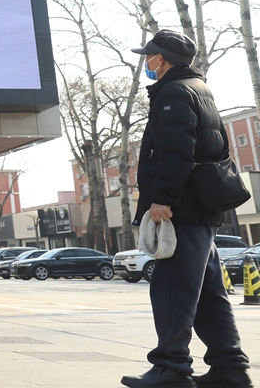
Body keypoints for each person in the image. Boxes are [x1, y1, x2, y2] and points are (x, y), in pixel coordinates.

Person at [121, 30, 251, 388]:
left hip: (182, 210)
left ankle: (171, 368)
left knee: (171, 288)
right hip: (200, 209)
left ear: (161, 59)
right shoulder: (199, 88)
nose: (146, 62)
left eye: (149, 56)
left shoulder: (175, 92)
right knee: (208, 293)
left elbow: (177, 151)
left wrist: (162, 199)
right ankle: (230, 368)